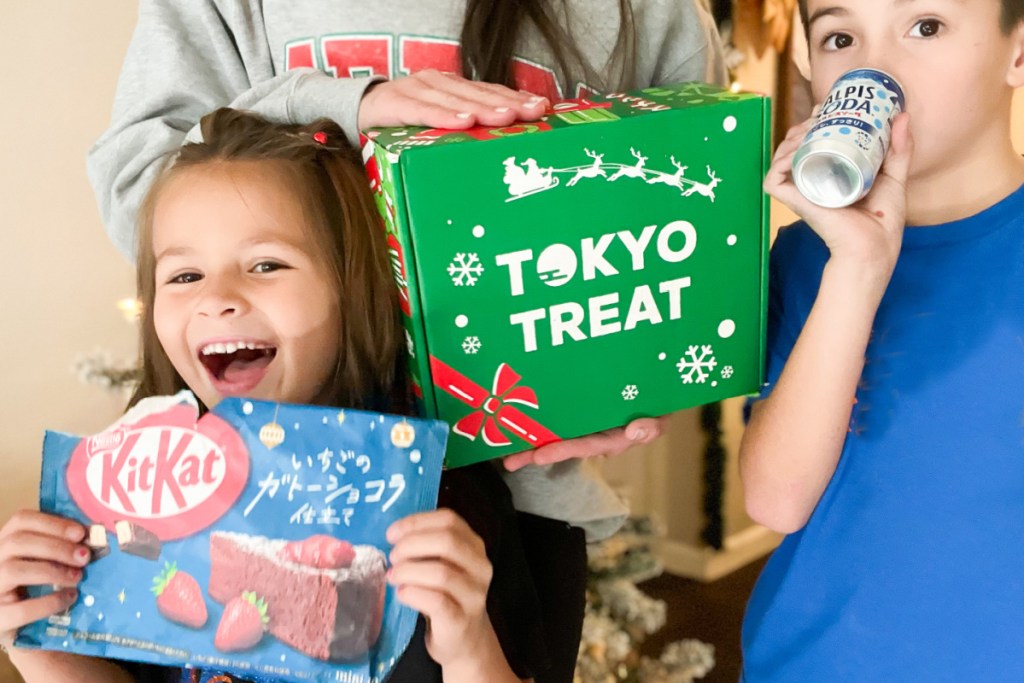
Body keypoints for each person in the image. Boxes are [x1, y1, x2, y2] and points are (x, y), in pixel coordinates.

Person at [87, 0, 726, 593]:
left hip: (519, 504)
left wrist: (640, 369)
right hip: (275, 484)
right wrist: (339, 112)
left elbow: (694, 203)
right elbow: (142, 193)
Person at [3, 108, 576, 683]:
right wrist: (38, 642)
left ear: (352, 288)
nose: (217, 298)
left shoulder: (437, 500)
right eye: (183, 276)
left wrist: (470, 648)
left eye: (266, 264)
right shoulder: (139, 496)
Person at [739, 0, 1024, 679]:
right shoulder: (805, 257)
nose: (875, 66)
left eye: (926, 27)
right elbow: (776, 500)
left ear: (1017, 53)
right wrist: (858, 270)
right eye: (840, 37)